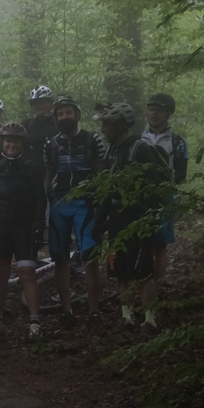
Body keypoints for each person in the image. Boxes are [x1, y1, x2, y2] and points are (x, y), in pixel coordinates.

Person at [92, 103, 168, 336]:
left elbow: (155, 188)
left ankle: (150, 320)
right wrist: (99, 221)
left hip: (138, 219)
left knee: (142, 272)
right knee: (119, 269)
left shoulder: (141, 149)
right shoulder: (111, 151)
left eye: (107, 125)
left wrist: (145, 218)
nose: (103, 129)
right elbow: (107, 189)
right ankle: (127, 317)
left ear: (120, 126)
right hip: (116, 219)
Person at [0, 122, 47, 341]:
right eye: (8, 141)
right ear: (2, 143)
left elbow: (40, 199)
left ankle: (35, 321)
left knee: (27, 273)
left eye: (15, 141)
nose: (11, 144)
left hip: (25, 227)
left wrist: (39, 225)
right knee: (1, 274)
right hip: (1, 226)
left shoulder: (31, 169)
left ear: (22, 144)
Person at [43, 96, 106, 327]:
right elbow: (48, 177)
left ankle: (94, 310)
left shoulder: (92, 139)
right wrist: (45, 209)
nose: (64, 117)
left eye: (68, 113)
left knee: (90, 256)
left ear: (77, 115)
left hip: (85, 203)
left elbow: (101, 173)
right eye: (60, 114)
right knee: (60, 259)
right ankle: (66, 310)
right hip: (59, 204)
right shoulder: (50, 144)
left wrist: (102, 206)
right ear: (55, 118)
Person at [141, 93, 188, 284]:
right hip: (142, 195)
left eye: (159, 110)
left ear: (168, 114)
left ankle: (158, 283)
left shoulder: (177, 142)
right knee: (142, 240)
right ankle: (144, 282)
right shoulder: (139, 138)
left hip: (165, 196)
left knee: (160, 243)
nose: (154, 113)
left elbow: (181, 174)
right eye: (151, 109)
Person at [20, 86, 57, 170]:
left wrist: (32, 145)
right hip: (30, 169)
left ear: (51, 102)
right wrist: (44, 138)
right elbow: (21, 140)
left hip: (52, 169)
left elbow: (55, 142)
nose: (39, 106)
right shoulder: (27, 123)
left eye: (43, 102)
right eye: (35, 103)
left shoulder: (57, 122)